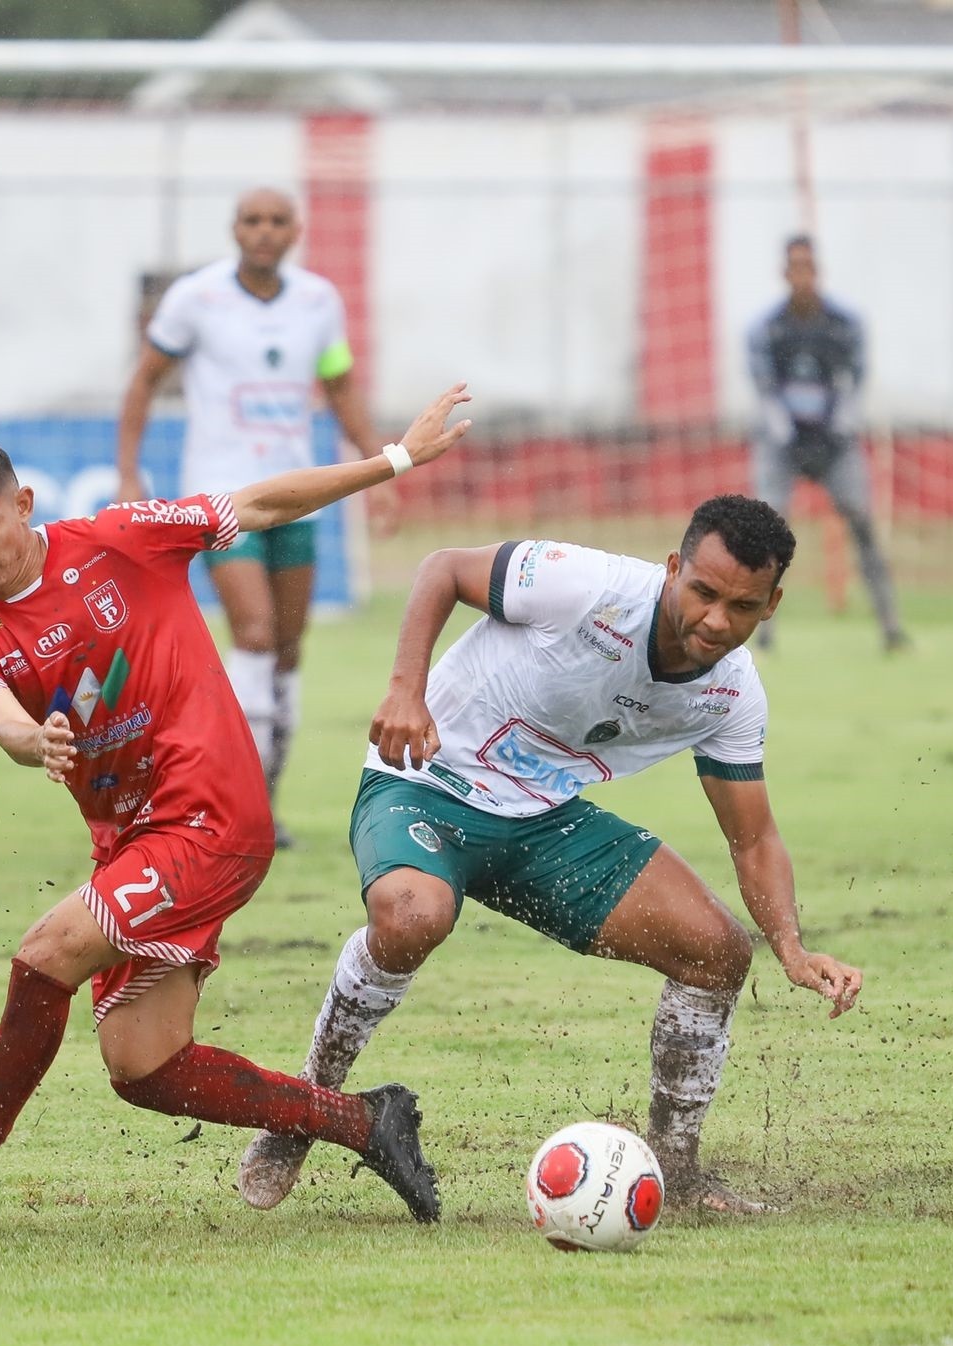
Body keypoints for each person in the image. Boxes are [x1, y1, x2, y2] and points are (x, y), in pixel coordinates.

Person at [0, 385, 473, 1229]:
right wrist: (31, 741)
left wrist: (394, 459)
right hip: (132, 842)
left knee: (47, 953)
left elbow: (260, 500)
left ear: (23, 504)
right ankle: (364, 1121)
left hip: (212, 816)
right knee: (144, 1068)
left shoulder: (121, 539)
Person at [237, 496, 864, 1217]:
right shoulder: (584, 585)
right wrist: (406, 692)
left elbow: (753, 836)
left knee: (717, 951)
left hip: (541, 823)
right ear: (672, 569)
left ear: (773, 605)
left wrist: (789, 945)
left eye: (743, 606)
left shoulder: (730, 694)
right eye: (703, 591)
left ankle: (679, 1172)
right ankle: (302, 1113)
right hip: (426, 783)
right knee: (411, 916)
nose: (717, 620)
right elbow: (442, 571)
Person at [116, 188, 384, 846]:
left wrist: (380, 468)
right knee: (256, 633)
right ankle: (234, 801)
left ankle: (265, 799)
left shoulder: (319, 301)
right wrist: (129, 469)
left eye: (277, 221)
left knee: (289, 650)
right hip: (220, 498)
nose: (264, 232)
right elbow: (146, 377)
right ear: (234, 228)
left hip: (296, 493)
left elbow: (339, 383)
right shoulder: (195, 299)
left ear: (296, 230)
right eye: (252, 220)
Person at [748, 235, 906, 651]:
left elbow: (855, 382)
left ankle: (890, 625)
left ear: (818, 271)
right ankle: (759, 631)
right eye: (794, 267)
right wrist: (786, 430)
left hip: (835, 445)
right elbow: (764, 390)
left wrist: (838, 426)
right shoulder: (767, 328)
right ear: (784, 273)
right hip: (783, 446)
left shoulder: (843, 325)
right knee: (764, 532)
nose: (802, 275)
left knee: (862, 522)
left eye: (808, 266)